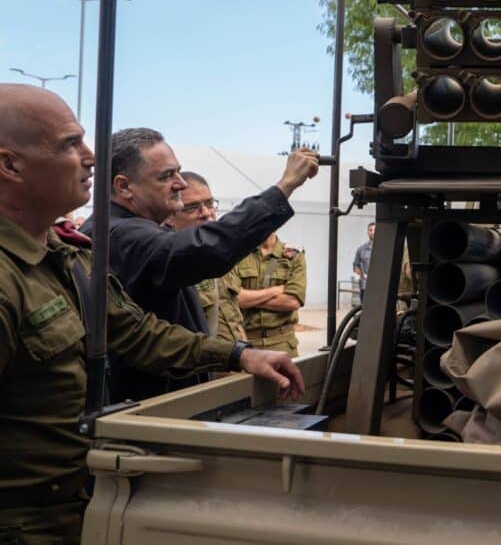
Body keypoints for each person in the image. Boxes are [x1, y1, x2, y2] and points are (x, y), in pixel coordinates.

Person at [0, 84, 305, 543]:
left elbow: (137, 333)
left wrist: (240, 356)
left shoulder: (66, 255)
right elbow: (200, 252)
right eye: (69, 144)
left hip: (79, 502)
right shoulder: (21, 270)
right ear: (9, 165)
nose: (90, 157)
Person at [80, 129, 318, 402]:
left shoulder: (131, 230)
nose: (180, 183)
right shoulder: (118, 235)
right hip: (152, 405)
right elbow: (205, 249)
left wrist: (238, 354)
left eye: (178, 172)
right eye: (167, 176)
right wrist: (285, 186)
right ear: (123, 187)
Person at [166, 171, 247, 342]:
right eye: (192, 207)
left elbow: (234, 318)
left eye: (209, 204)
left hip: (237, 360)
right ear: (170, 216)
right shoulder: (167, 264)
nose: (206, 213)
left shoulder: (218, 257)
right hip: (206, 362)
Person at [236, 232, 307, 357]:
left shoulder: (294, 256)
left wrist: (249, 299)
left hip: (282, 342)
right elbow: (236, 298)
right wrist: (274, 291)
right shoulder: (238, 254)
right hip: (245, 341)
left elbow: (293, 301)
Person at [352, 221, 375, 304]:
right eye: (370, 230)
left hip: (379, 286)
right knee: (365, 309)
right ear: (367, 232)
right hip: (365, 286)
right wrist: (363, 275)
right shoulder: (361, 249)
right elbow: (355, 265)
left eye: (375, 230)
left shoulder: (383, 249)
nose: (373, 232)